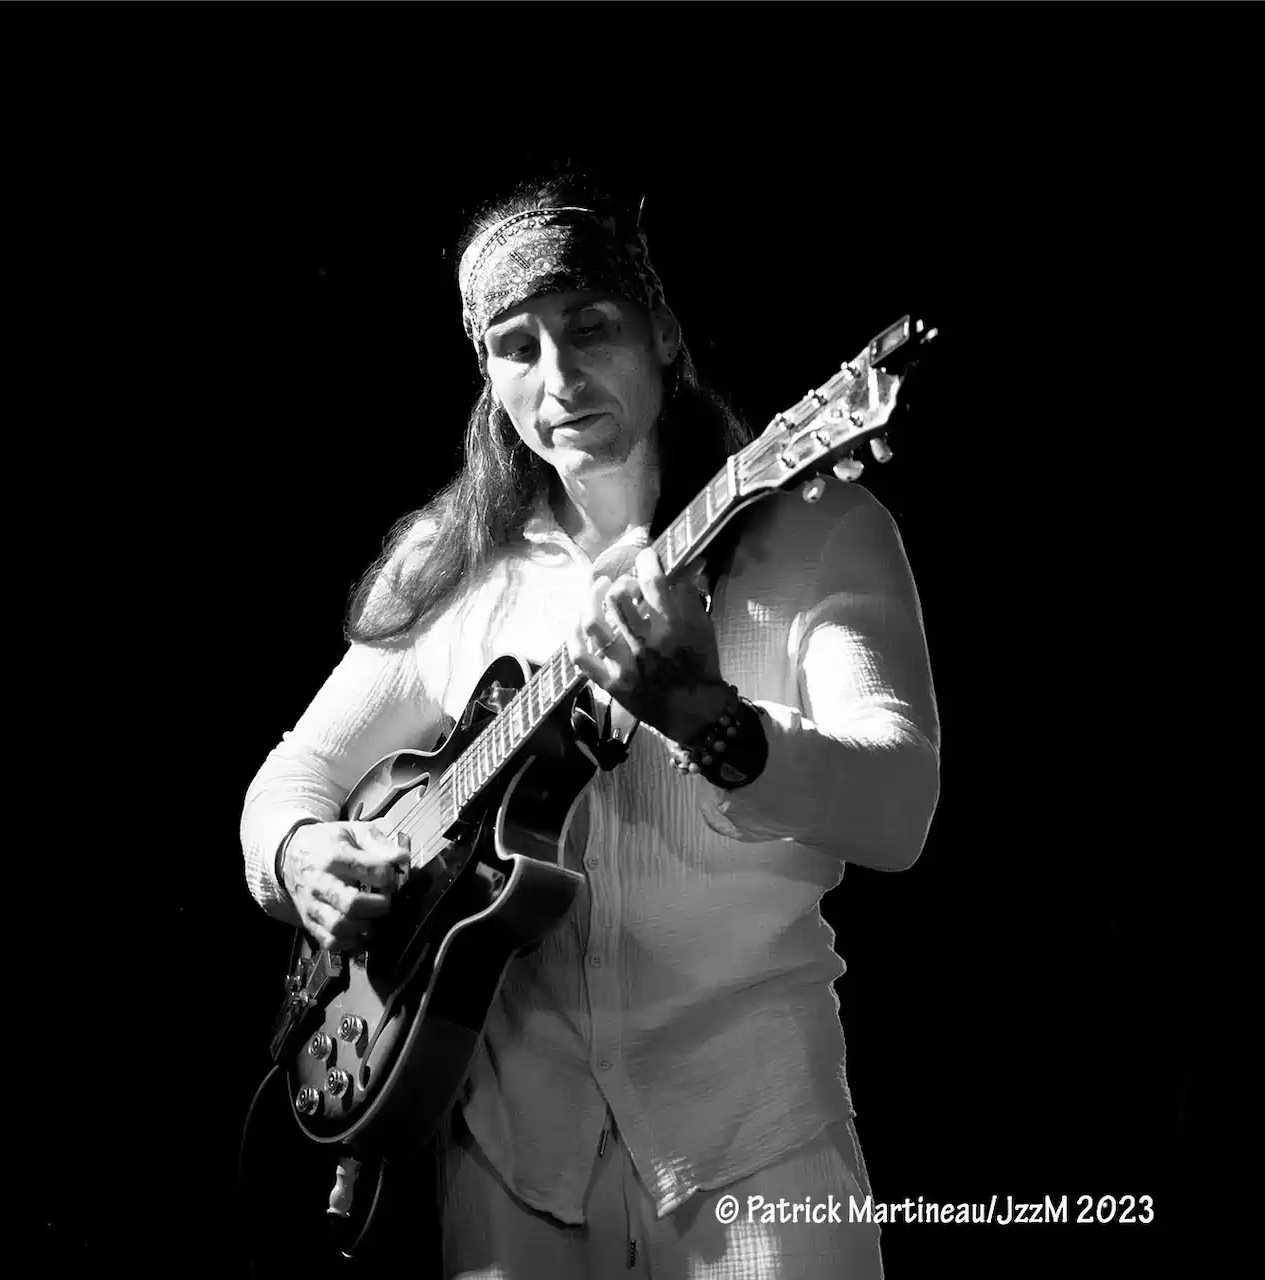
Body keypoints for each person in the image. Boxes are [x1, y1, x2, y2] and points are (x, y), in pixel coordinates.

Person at [239, 169, 941, 1279]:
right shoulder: (456, 569)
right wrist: (299, 851)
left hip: (757, 1148)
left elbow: (900, 807)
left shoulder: (819, 532)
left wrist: (709, 720)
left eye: (590, 325)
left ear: (662, 330)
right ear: (487, 376)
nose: (558, 376)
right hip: (511, 1162)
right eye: (516, 347)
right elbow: (291, 778)